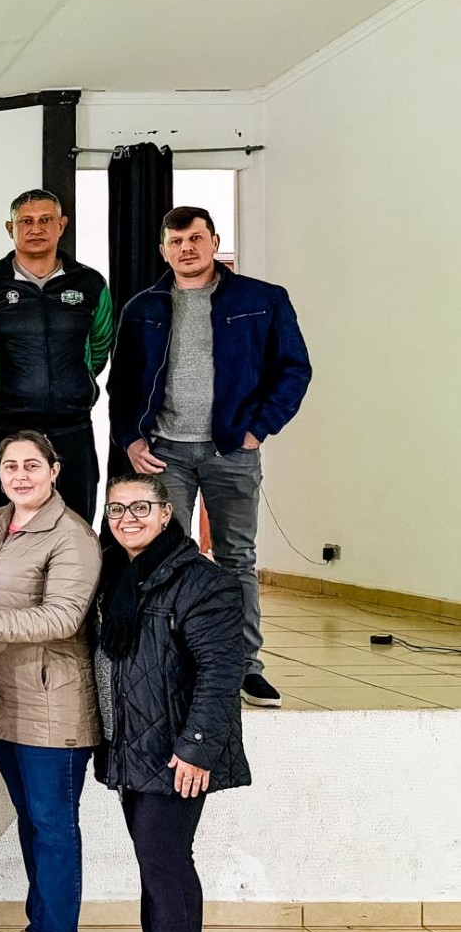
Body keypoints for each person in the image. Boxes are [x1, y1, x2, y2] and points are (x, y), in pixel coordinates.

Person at [109, 205, 311, 710]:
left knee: (236, 558)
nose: (187, 249)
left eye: (196, 239)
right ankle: (172, 661)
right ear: (163, 251)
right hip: (165, 454)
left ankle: (245, 667)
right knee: (165, 558)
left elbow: (294, 370)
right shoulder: (142, 307)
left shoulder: (261, 299)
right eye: (176, 242)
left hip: (232, 451)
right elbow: (122, 386)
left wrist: (258, 429)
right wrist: (131, 441)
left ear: (214, 242)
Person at [93, 474, 250, 932]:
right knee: (153, 855)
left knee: (165, 856)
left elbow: (221, 671)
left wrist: (196, 748)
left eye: (141, 507)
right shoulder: (118, 572)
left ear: (166, 513)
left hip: (175, 747)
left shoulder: (201, 580)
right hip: (134, 742)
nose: (127, 518)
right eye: (116, 509)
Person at [0, 431, 102, 932]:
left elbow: (64, 616)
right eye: (10, 466)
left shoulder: (72, 536)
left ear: (54, 470)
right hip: (5, 698)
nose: (20, 475)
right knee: (31, 822)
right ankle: (38, 927)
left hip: (53, 703)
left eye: (31, 465)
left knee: (53, 826)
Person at [0, 191, 114, 525]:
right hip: (5, 429)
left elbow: (100, 347)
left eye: (46, 220)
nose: (36, 228)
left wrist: (71, 386)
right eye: (25, 221)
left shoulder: (90, 284)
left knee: (75, 528)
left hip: (72, 429)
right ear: (10, 228)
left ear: (61, 225)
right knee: (3, 529)